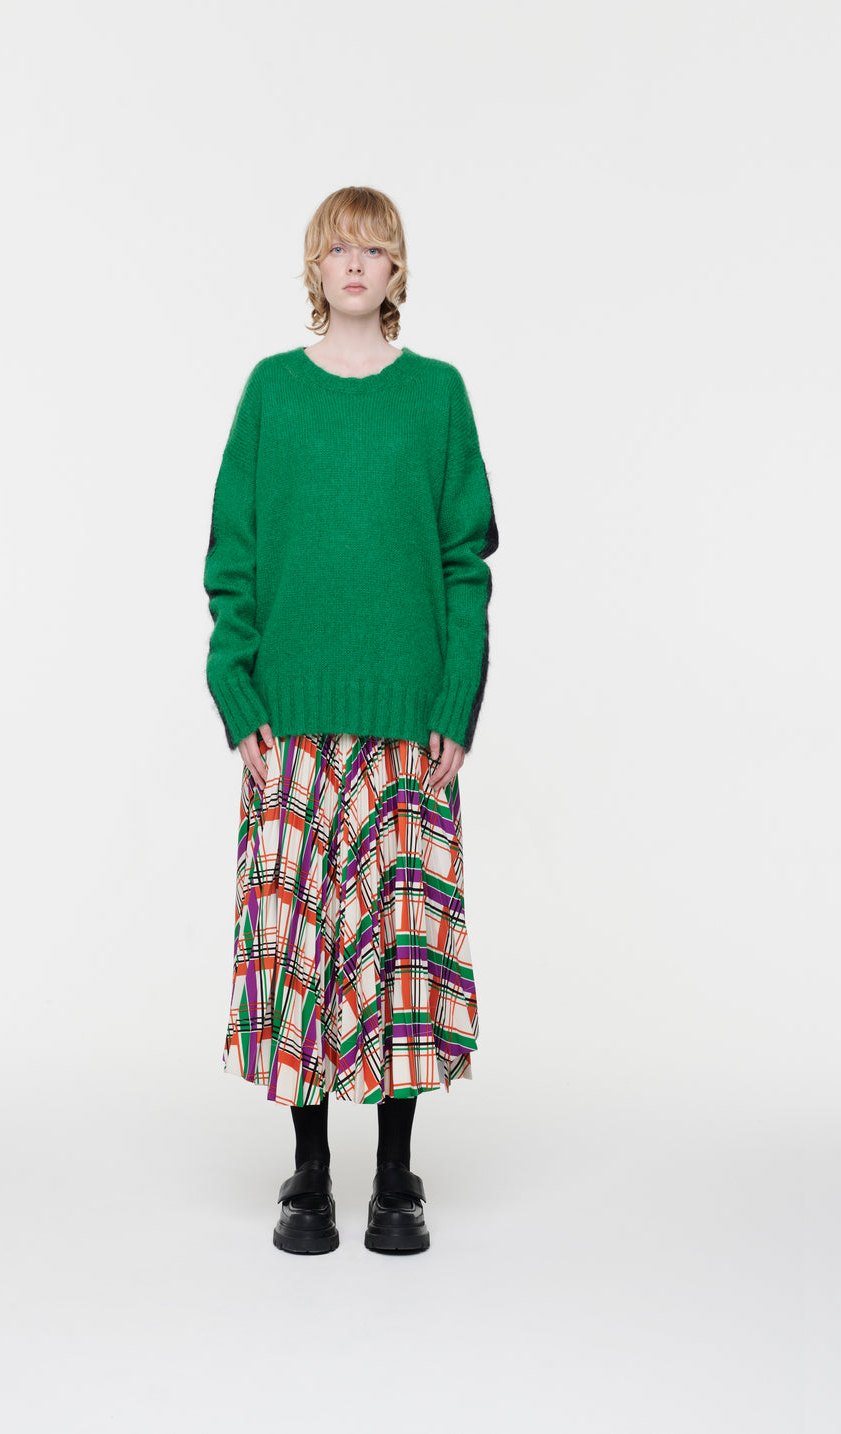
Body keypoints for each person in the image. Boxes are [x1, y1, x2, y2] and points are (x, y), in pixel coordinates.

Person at [203, 185, 498, 1255]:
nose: (357, 263)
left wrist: (455, 701)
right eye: (340, 248)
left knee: (399, 949)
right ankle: (310, 1171)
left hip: (410, 725)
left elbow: (466, 562)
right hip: (289, 723)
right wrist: (237, 691)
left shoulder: (437, 396)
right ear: (316, 268)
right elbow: (232, 557)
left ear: (397, 269)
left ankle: (396, 1174)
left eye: (376, 248)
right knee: (302, 948)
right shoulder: (272, 393)